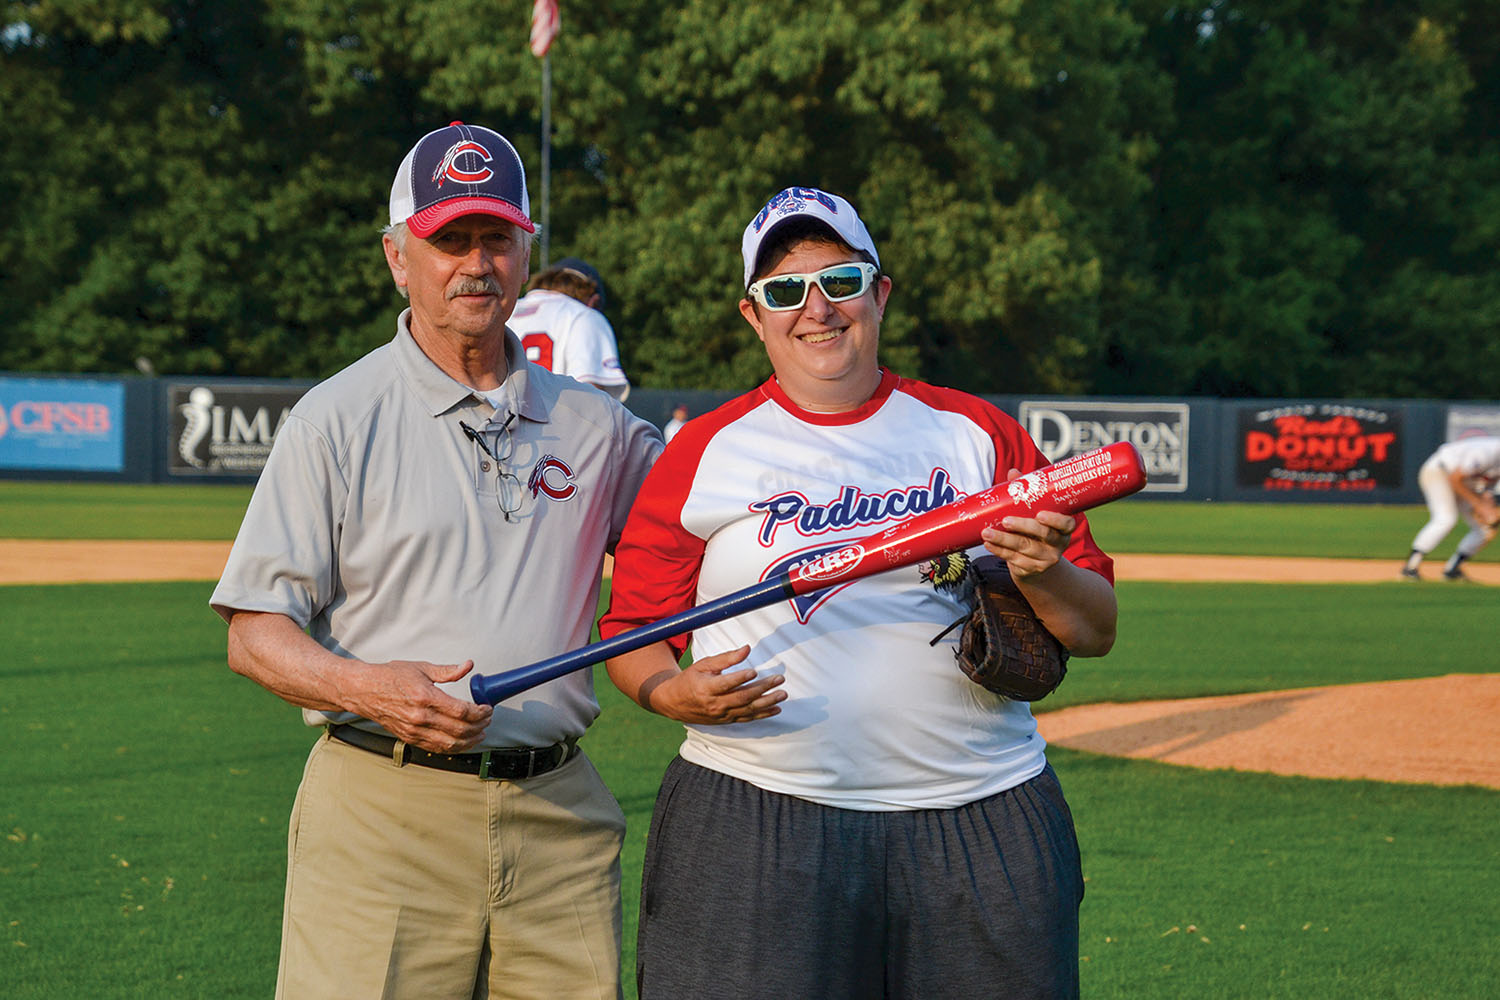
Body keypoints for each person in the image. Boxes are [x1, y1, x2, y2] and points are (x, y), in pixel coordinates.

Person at [599, 186, 1118, 999]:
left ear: (879, 293)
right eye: (783, 291)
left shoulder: (975, 432)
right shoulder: (707, 450)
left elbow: (1095, 630)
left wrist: (1041, 571)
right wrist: (670, 694)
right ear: (753, 316)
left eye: (839, 281)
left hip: (978, 810)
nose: (816, 309)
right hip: (757, 813)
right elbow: (633, 628)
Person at [209, 121, 662, 999]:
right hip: (383, 811)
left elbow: (710, 539)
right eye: (448, 239)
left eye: (496, 238)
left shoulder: (597, 427)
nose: (475, 263)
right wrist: (366, 687)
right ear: (397, 257)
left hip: (559, 817)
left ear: (525, 255)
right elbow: (254, 633)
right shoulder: (335, 418)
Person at [509, 256, 632, 400]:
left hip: (496, 419)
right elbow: (589, 399)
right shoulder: (584, 315)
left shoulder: (504, 311)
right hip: (553, 420)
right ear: (594, 301)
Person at [1400, 434, 1500, 580]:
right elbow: (1455, 478)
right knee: (1445, 519)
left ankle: (1452, 570)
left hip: (1468, 482)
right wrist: (1478, 505)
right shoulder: (1488, 452)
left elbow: (1488, 486)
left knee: (1485, 529)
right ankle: (1410, 567)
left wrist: (1487, 507)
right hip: (1439, 471)